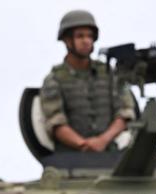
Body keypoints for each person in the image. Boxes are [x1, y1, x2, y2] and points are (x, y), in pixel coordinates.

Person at [39, 10, 136, 153]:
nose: (86, 41)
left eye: (90, 36)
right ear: (67, 40)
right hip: (70, 159)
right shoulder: (54, 79)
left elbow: (125, 112)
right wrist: (83, 145)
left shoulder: (109, 74)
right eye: (80, 36)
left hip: (112, 153)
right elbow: (55, 122)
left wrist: (102, 141)